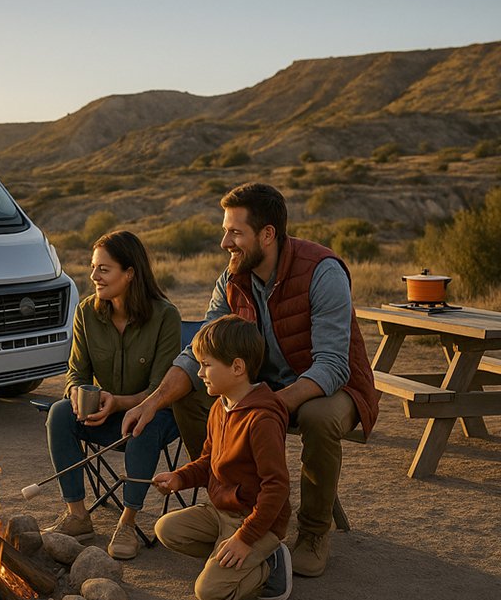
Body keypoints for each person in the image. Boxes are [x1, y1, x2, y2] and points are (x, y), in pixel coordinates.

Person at [124, 182, 377, 577]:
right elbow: (199, 353)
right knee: (190, 396)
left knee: (319, 418)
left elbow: (332, 364)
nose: (225, 242)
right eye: (225, 231)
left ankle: (313, 533)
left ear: (267, 234)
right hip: (261, 389)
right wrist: (151, 401)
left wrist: (268, 405)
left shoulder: (322, 271)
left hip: (331, 387)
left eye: (235, 232)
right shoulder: (231, 279)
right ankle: (228, 503)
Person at [45, 230, 181, 560]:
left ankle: (128, 522)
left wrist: (119, 402)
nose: (94, 276)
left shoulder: (166, 316)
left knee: (144, 423)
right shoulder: (86, 313)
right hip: (105, 414)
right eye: (93, 267)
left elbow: (160, 388)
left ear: (130, 273)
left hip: (155, 414)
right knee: (59, 413)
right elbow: (76, 373)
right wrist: (77, 395)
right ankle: (78, 516)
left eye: (104, 269)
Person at [153, 315, 292, 600]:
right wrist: (180, 478)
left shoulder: (262, 419)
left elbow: (277, 487)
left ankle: (269, 563)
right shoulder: (220, 406)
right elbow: (208, 461)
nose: (199, 372)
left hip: (258, 522)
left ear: (237, 368)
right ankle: (229, 553)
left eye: (206, 365)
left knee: (211, 593)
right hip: (222, 513)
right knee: (166, 529)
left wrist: (245, 539)